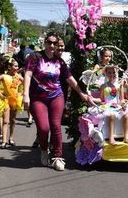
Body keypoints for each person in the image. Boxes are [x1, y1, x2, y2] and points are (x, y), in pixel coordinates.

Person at [23, 32, 94, 171]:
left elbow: (70, 79)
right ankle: (44, 149)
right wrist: (26, 95)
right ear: (45, 42)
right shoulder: (35, 57)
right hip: (38, 98)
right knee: (44, 128)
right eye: (49, 42)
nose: (52, 45)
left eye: (55, 43)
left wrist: (81, 94)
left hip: (56, 96)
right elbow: (28, 75)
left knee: (56, 126)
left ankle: (57, 157)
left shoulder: (59, 61)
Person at [0, 58, 23, 149]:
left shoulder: (19, 76)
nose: (17, 68)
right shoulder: (3, 76)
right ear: (9, 67)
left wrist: (20, 93)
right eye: (15, 66)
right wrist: (0, 94)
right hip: (6, 100)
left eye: (17, 66)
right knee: (5, 121)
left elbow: (25, 84)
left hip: (15, 101)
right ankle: (4, 141)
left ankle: (11, 138)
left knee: (13, 120)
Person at [98, 65, 128, 144]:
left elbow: (121, 99)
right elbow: (101, 99)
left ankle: (126, 137)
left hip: (117, 105)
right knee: (111, 116)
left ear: (116, 73)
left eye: (113, 72)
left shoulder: (120, 85)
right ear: (106, 73)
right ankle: (111, 137)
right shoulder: (103, 86)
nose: (112, 74)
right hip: (107, 105)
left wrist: (123, 104)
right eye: (109, 72)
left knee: (126, 115)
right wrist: (92, 99)